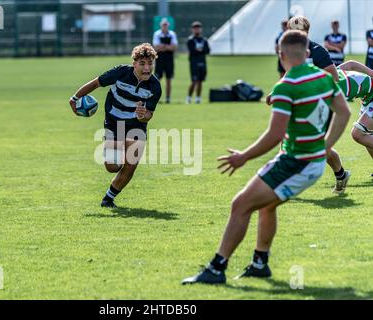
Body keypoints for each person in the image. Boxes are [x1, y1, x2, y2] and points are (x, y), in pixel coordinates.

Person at [182, 30, 350, 285]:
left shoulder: (286, 85)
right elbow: (344, 112)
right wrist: (326, 146)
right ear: (307, 54)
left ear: (280, 54)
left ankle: (216, 268)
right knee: (266, 205)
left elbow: (275, 134)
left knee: (240, 205)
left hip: (296, 163)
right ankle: (260, 263)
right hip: (306, 160)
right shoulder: (324, 78)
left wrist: (243, 156)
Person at [69, 43, 162, 208]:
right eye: (142, 63)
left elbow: (149, 115)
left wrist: (142, 116)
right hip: (114, 121)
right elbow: (96, 83)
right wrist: (74, 98)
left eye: (150, 63)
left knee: (131, 164)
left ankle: (108, 198)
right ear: (134, 64)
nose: (147, 68)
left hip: (135, 125)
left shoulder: (154, 86)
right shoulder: (120, 73)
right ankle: (118, 157)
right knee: (112, 166)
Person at [281, 15, 351, 194]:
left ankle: (286, 181)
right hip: (297, 105)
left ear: (306, 32)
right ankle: (341, 175)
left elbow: (334, 78)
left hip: (319, 107)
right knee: (294, 142)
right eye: (293, 31)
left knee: (314, 145)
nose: (297, 34)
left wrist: (310, 87)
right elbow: (289, 75)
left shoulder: (318, 51)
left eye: (300, 31)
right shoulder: (291, 51)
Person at [336, 60, 373, 167]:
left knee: (357, 134)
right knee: (366, 136)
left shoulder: (330, 89)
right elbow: (351, 63)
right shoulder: (333, 72)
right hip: (367, 98)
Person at [153, 18, 178, 104]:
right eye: (163, 25)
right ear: (161, 26)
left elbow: (174, 47)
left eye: (166, 25)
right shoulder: (157, 34)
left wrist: (162, 47)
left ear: (168, 26)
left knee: (168, 79)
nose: (165, 27)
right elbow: (156, 47)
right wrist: (168, 47)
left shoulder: (172, 34)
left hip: (169, 60)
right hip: (159, 59)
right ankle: (156, 98)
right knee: (157, 80)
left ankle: (168, 98)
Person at [186, 21, 210, 104]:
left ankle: (198, 98)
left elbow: (207, 50)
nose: (197, 30)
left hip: (202, 62)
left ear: (201, 29)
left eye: (198, 28)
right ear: (192, 30)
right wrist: (200, 50)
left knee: (200, 81)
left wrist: (200, 50)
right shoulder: (190, 40)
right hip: (194, 63)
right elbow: (192, 51)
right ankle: (189, 97)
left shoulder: (204, 40)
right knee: (194, 81)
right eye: (195, 28)